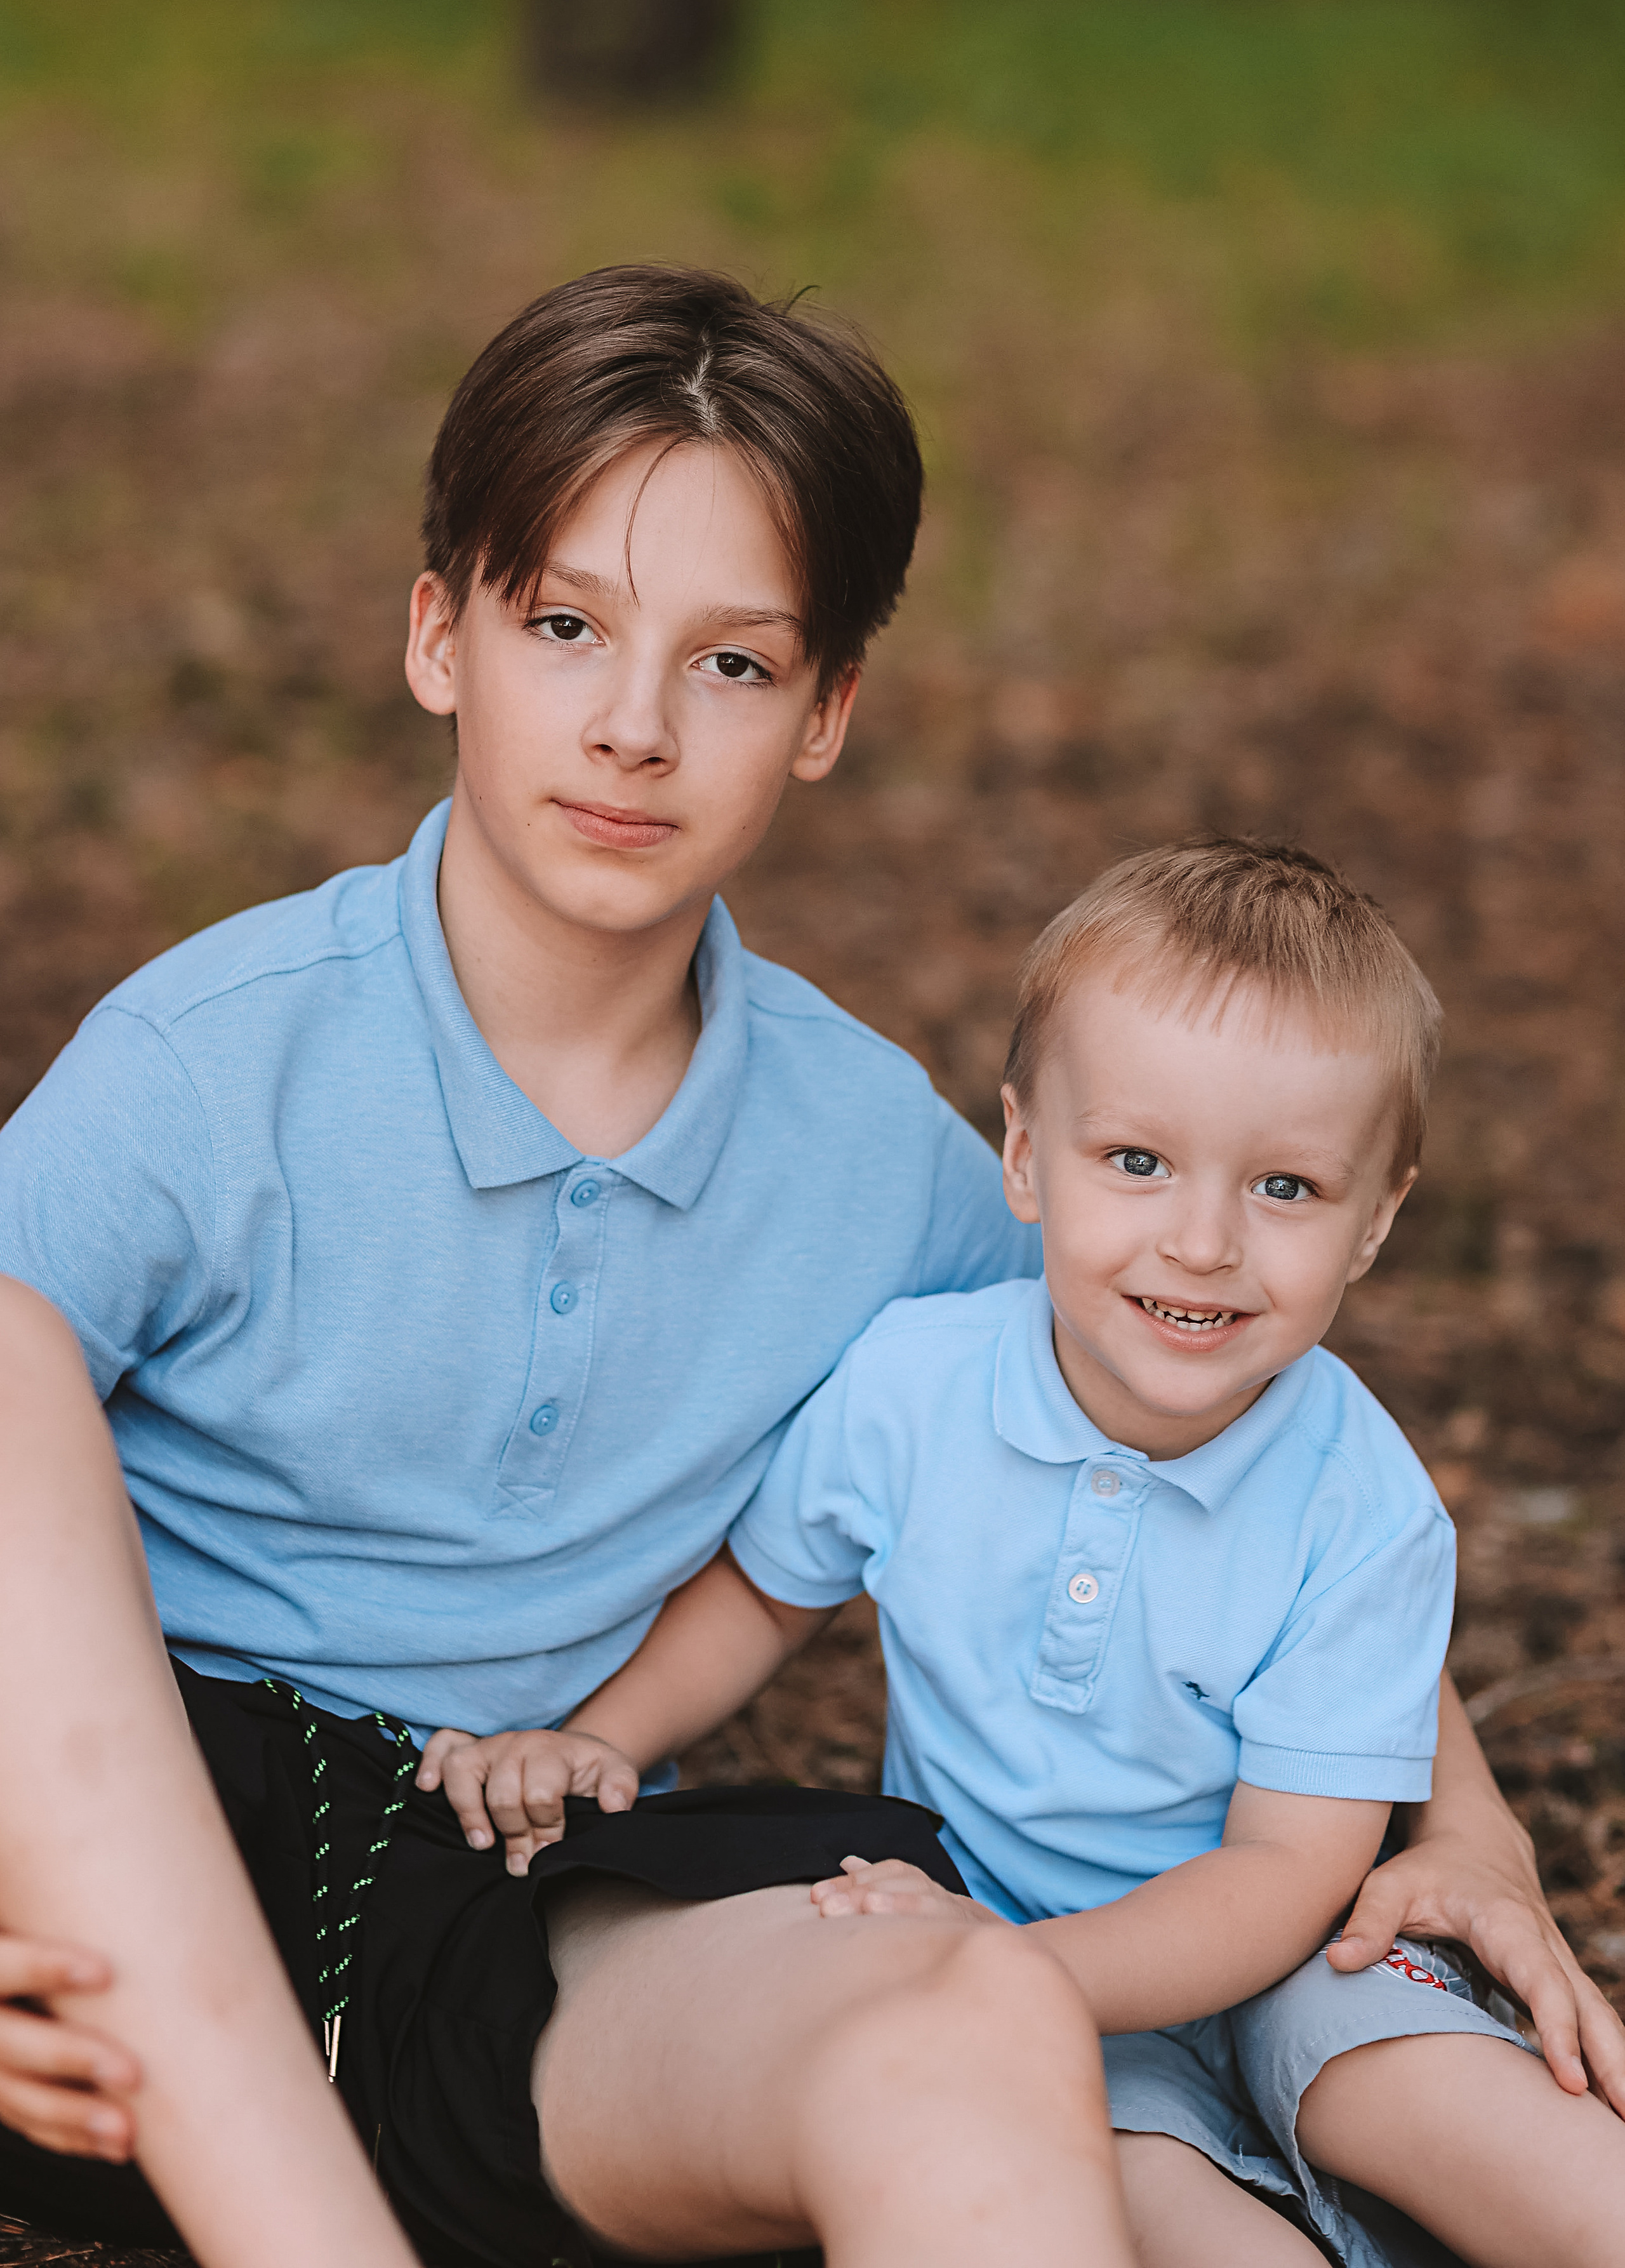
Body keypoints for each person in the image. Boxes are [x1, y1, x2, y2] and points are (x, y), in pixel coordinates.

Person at [0, 267, 1615, 2262]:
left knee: (970, 2003)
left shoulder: (874, 1167)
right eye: (566, 625)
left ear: (827, 710)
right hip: (108, 1887)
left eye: (734, 665)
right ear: (441, 636)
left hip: (525, 1909)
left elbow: (1223, 1437)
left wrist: (1468, 1829)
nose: (632, 726)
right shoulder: (207, 1060)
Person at [492, 839, 1625, 2268]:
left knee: (1490, 2130)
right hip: (1018, 1954)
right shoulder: (912, 1390)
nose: (1201, 1241)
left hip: (1294, 1951)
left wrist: (1011, 1974)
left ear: (1375, 1221)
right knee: (1161, 2219)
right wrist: (602, 1736)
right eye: (1137, 1162)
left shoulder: (1360, 1503)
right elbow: (762, 1597)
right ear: (1025, 1158)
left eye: (1283, 1189)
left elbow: (1282, 1872)